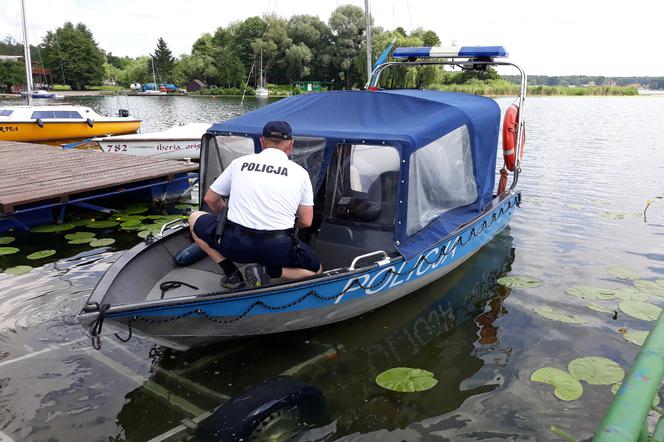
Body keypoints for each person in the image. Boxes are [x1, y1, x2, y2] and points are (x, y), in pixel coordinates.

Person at [188, 120, 322, 288]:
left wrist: (226, 218)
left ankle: (231, 273)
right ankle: (270, 272)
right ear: (291, 145)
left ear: (261, 141)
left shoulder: (239, 163)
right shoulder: (301, 173)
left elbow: (210, 199)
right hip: (277, 249)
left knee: (194, 217)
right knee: (317, 270)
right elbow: (306, 221)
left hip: (234, 244)